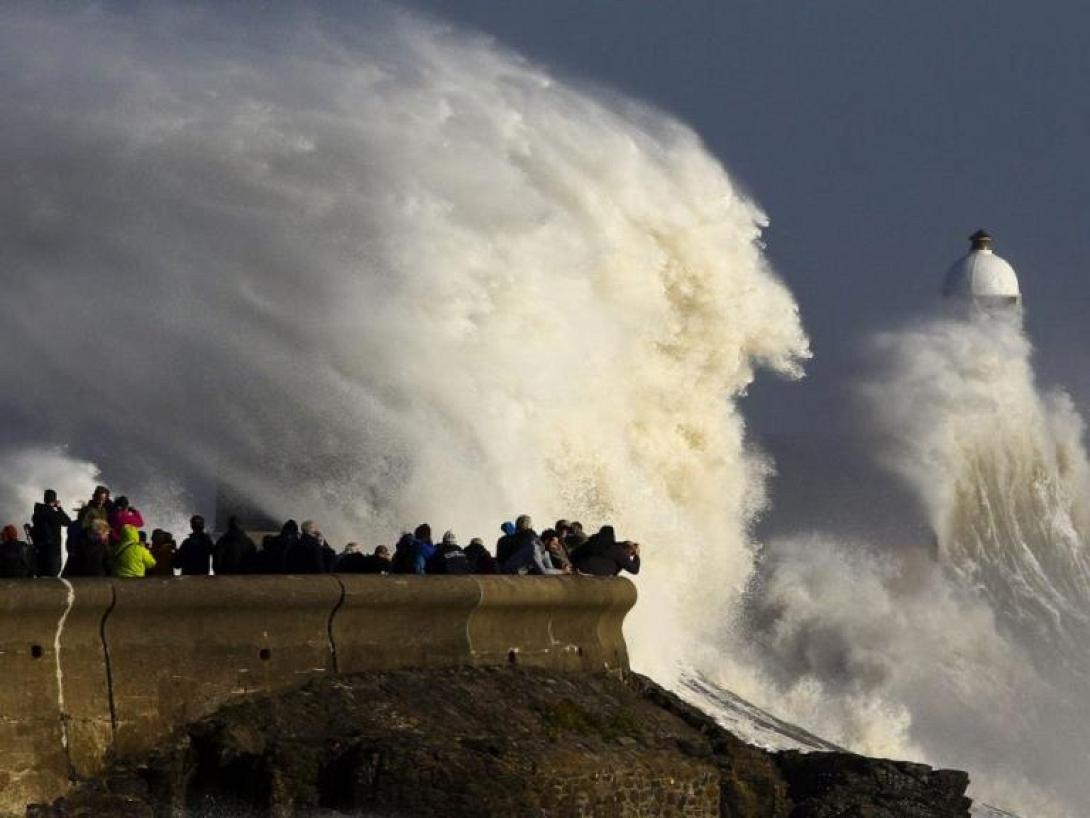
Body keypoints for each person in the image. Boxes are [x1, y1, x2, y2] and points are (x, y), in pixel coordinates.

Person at [500, 515, 567, 576]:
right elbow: (543, 572)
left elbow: (551, 569)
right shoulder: (534, 548)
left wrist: (564, 569)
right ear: (546, 541)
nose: (558, 546)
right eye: (554, 544)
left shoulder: (545, 552)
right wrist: (563, 571)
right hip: (508, 573)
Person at [30, 489, 71, 577]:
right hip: (53, 553)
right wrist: (59, 508)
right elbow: (68, 522)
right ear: (55, 500)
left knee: (40, 578)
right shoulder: (55, 515)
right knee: (52, 581)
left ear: (44, 499)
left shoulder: (36, 514)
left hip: (39, 551)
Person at [570, 526, 641, 576]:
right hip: (587, 571)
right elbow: (635, 570)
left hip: (578, 564)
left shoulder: (601, 544)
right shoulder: (619, 552)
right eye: (631, 554)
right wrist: (637, 555)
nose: (629, 556)